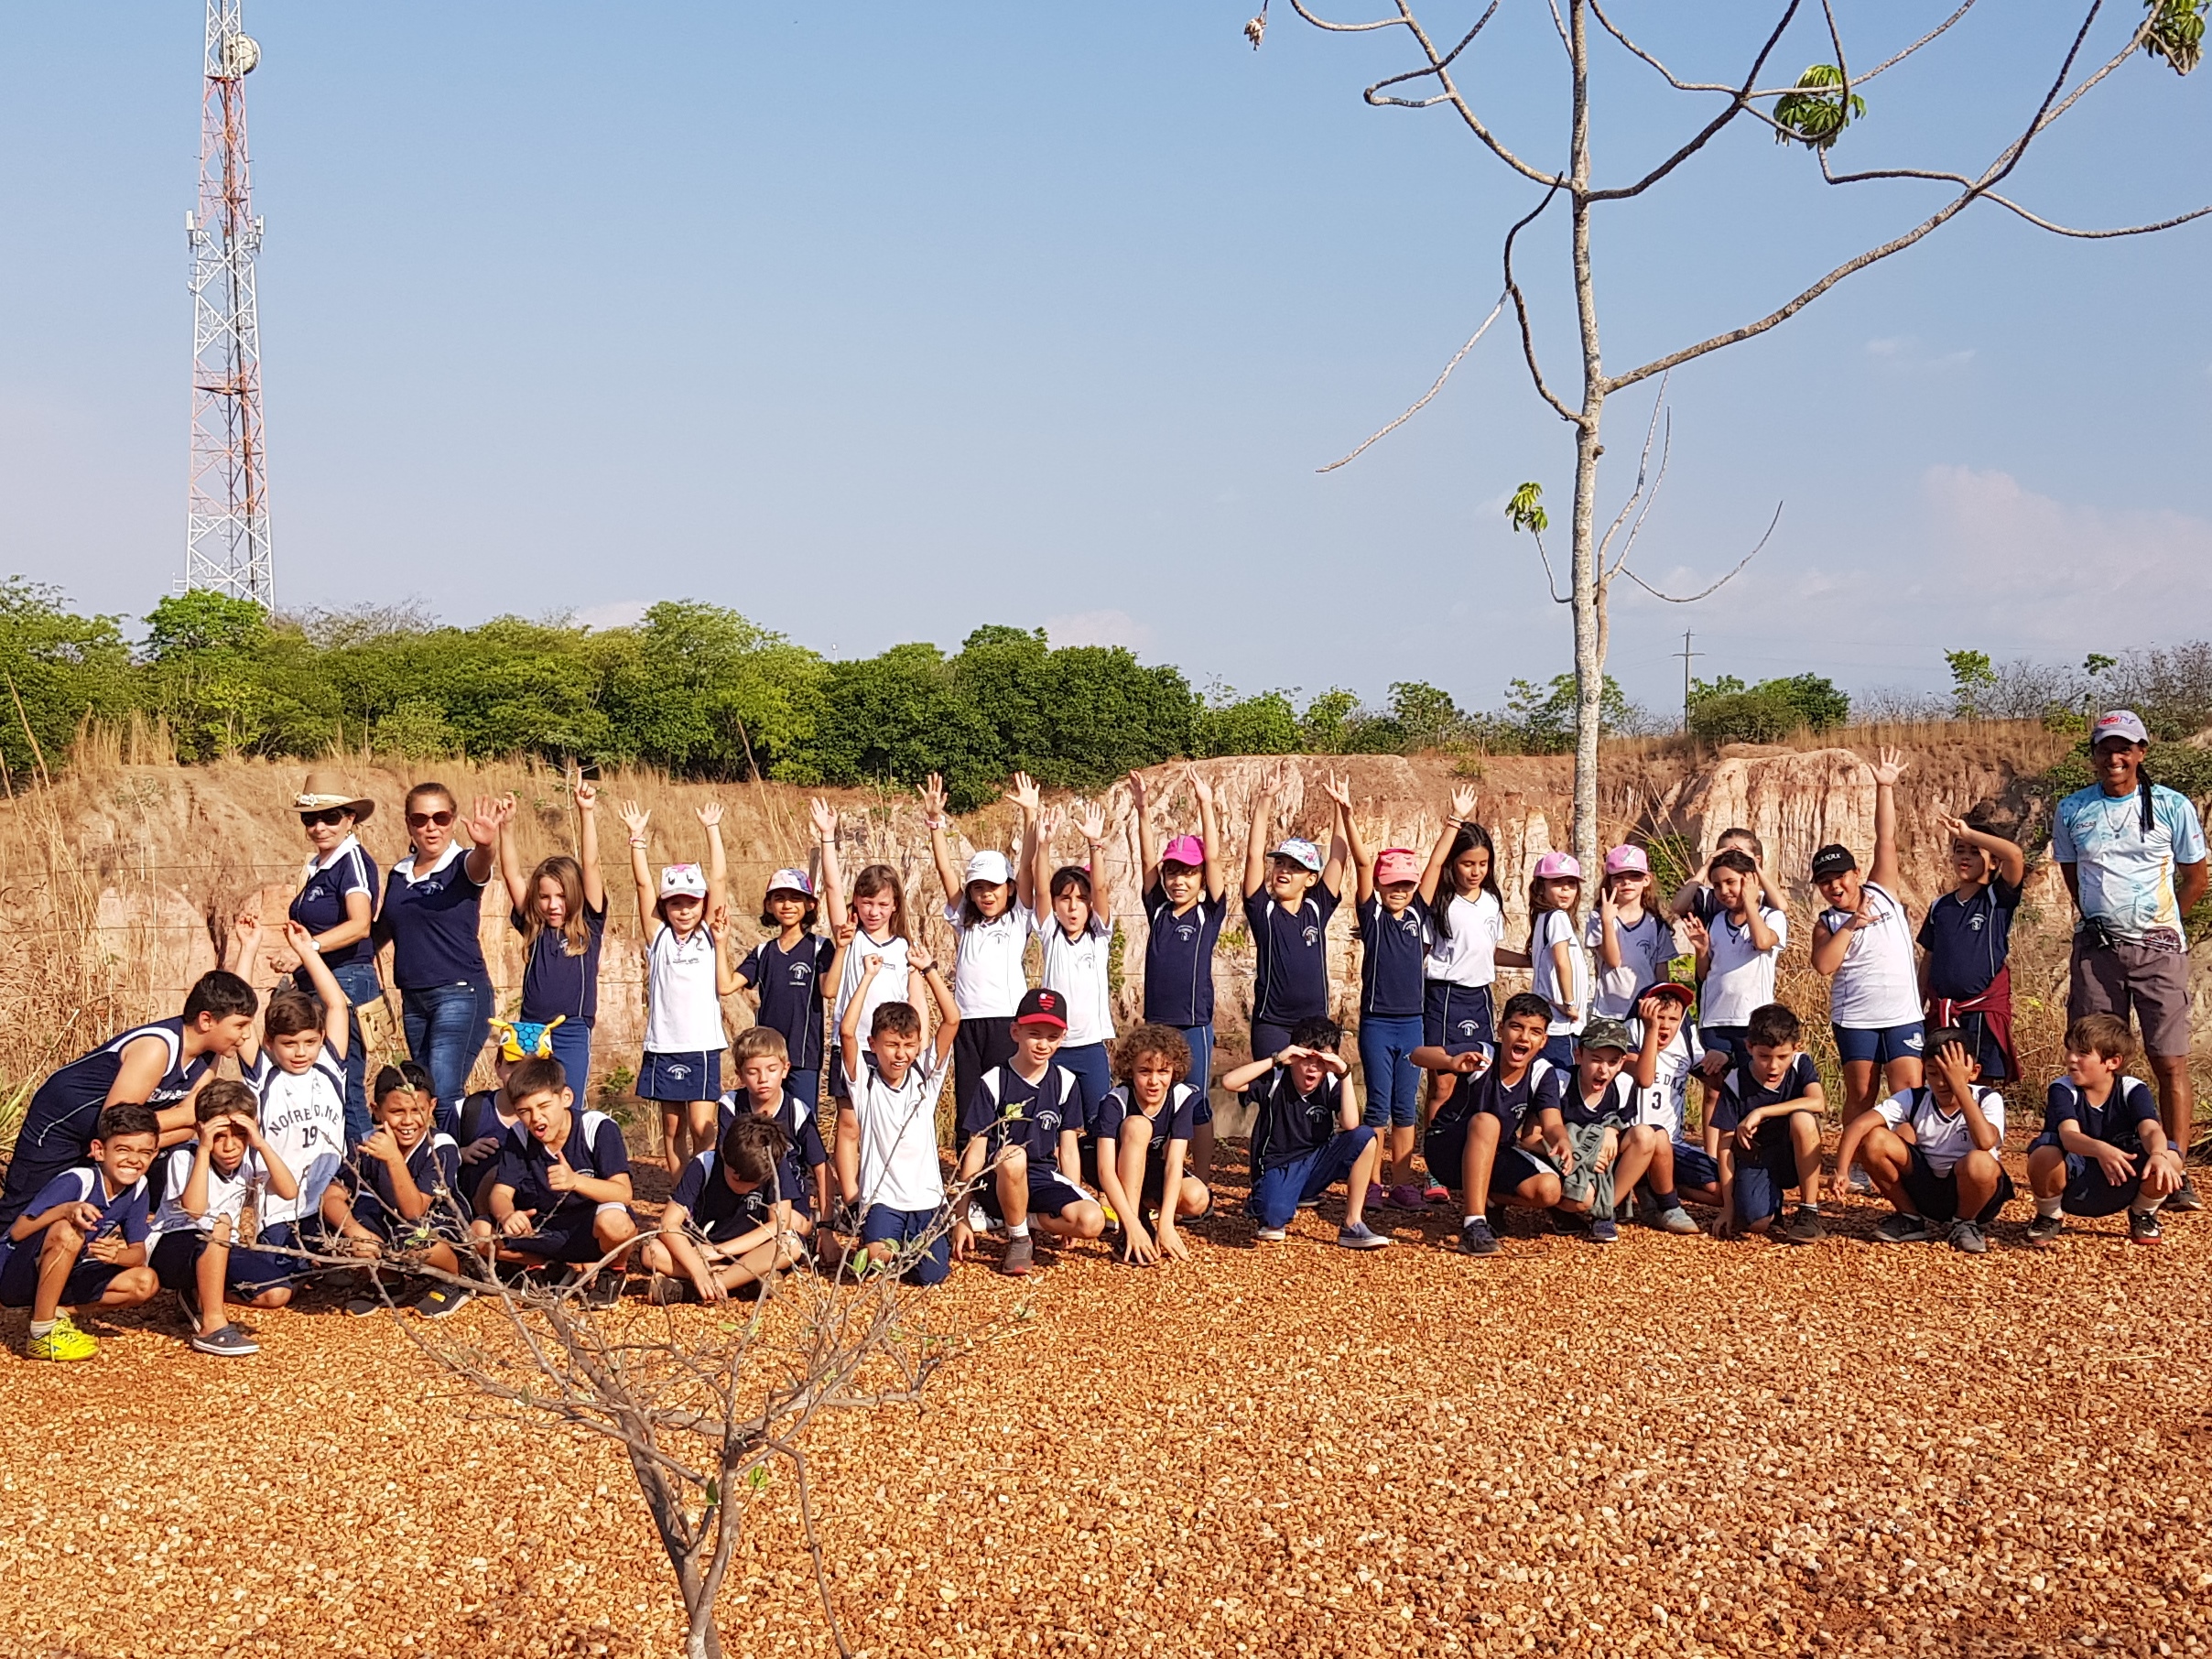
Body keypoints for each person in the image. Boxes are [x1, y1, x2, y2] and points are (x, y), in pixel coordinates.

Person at [2052, 710, 2208, 1211]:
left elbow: (2196, 879)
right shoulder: (2073, 809)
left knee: (2168, 1059)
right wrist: (2102, 923)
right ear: (2093, 754)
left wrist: (2166, 927)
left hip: (2160, 950)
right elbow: (2073, 879)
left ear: (2141, 752)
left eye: (2124, 748)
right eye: (2104, 749)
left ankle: (2174, 1166)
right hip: (2098, 951)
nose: (2114, 758)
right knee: (2094, 1061)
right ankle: (2096, 1157)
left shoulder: (2172, 806)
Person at [0, 970, 256, 1231]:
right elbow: (116, 1121)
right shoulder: (158, 1048)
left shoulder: (209, 1056)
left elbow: (193, 1124)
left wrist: (146, 1142)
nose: (246, 1035)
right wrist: (183, 1119)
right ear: (206, 1020)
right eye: (240, 1026)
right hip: (58, 1134)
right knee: (22, 1217)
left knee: (82, 1221)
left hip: (101, 1141)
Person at [1811, 748, 1925, 1193]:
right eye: (1826, 882)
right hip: (1856, 1018)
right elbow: (1823, 966)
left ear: (1857, 873)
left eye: (1841, 876)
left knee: (1908, 1091)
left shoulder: (1883, 890)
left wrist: (1884, 786)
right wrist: (1852, 925)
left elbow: (1887, 839)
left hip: (1901, 1013)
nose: (1835, 886)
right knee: (1860, 1093)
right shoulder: (1827, 922)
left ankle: (1906, 1163)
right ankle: (1858, 1164)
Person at [376, 784, 505, 1133]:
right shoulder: (399, 873)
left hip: (460, 993)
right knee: (421, 1092)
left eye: (440, 817)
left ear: (451, 820)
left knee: (444, 1093)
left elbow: (480, 867)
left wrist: (486, 845)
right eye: (420, 819)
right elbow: (382, 930)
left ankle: (457, 1170)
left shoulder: (462, 864)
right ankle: (433, 1167)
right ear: (408, 825)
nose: (430, 826)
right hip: (413, 999)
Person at [619, 799, 738, 1177]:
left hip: (701, 1045)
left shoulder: (708, 932)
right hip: (663, 1046)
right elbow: (642, 885)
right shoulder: (658, 937)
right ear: (665, 907)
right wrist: (636, 839)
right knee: (673, 1129)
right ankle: (681, 1198)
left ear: (702, 904)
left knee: (704, 1127)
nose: (684, 910)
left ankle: (704, 1192)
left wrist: (712, 829)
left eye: (691, 902)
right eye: (675, 904)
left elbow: (718, 879)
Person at [232, 914, 352, 1285]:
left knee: (346, 1275)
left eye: (309, 1042)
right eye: (289, 1043)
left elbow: (336, 1006)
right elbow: (238, 1016)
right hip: (280, 1209)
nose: (300, 1052)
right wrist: (248, 948)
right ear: (270, 1043)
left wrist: (306, 951)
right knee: (279, 1285)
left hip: (328, 1202)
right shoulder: (264, 1075)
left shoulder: (330, 1066)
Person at [952, 987, 1104, 1276]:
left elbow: (1069, 1148)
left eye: (1051, 1037)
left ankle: (1022, 1220)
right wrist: (960, 1215)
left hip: (1041, 1177)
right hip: (997, 1181)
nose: (1042, 1044)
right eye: (1034, 1033)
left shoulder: (1066, 1082)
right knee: (1012, 1156)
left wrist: (1070, 1196)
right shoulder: (994, 1081)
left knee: (1092, 1221)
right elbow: (975, 1151)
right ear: (1015, 1032)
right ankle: (1019, 1239)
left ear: (1062, 1038)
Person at [833, 948, 961, 1285]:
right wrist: (867, 977)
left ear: (918, 1044)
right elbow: (847, 1032)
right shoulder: (866, 1084)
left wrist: (928, 969)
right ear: (874, 1044)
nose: (900, 1054)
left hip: (926, 1198)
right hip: (883, 1198)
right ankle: (892, 1243)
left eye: (908, 1045)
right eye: (891, 1045)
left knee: (932, 1277)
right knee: (873, 1261)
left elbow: (952, 1020)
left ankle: (919, 1244)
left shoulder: (925, 1079)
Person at [147, 1080, 302, 1358]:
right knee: (219, 1224)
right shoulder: (185, 1157)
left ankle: (199, 1295)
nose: (230, 1146)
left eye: (239, 1135)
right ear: (201, 1130)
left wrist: (260, 1142)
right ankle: (212, 1326)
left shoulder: (249, 1157)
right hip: (172, 1248)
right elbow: (194, 1210)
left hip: (221, 1248)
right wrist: (205, 1150)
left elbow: (289, 1191)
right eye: (220, 1136)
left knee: (277, 1293)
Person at [1, 1102, 162, 1361]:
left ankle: (54, 1312)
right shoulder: (78, 1181)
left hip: (67, 1272)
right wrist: (65, 1209)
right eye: (123, 1149)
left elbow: (138, 1253)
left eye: (144, 1152)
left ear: (154, 1155)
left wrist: (116, 1257)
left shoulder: (138, 1187)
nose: (134, 1159)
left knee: (145, 1282)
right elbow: (18, 1232)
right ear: (99, 1150)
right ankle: (42, 1334)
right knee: (68, 1231)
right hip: (15, 1273)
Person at [472, 1056, 638, 1306]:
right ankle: (546, 1266)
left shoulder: (597, 1128)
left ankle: (613, 1270)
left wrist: (575, 1181)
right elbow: (500, 1193)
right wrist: (507, 1215)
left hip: (589, 1229)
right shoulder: (520, 1136)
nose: (536, 1118)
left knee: (616, 1222)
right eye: (525, 1111)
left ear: (566, 1098)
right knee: (479, 1233)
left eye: (544, 1106)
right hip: (543, 1229)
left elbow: (623, 1194)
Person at [1830, 1028, 2011, 1254]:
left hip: (1977, 1195)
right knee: (1874, 1139)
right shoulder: (1916, 1097)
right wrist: (1842, 1170)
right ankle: (1910, 1218)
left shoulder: (1986, 1098)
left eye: (1949, 1075)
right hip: (1928, 1188)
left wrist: (1960, 1088)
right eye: (1933, 1073)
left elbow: (1985, 1141)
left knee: (1980, 1161)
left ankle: (1965, 1223)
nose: (1942, 1083)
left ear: (1973, 1072)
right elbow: (1859, 1126)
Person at [1132, 766, 1228, 1185]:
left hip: (1194, 1024)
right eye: (1173, 872)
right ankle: (1152, 1178)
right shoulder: (1157, 910)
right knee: (1152, 1099)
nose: (1178, 880)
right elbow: (1146, 858)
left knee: (1198, 1102)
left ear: (1200, 878)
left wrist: (1206, 804)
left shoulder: (1209, 913)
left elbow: (1214, 858)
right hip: (1157, 1024)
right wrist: (1142, 810)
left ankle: (1201, 1182)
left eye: (1187, 872)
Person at [922, 771, 1033, 1134]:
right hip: (966, 1023)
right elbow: (944, 869)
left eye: (995, 887)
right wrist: (935, 822)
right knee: (970, 1102)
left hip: (1006, 1021)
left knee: (1006, 1099)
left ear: (1010, 888)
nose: (987, 894)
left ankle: (1007, 1173)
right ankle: (968, 1180)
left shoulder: (1017, 919)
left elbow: (1029, 866)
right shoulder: (964, 920)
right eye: (979, 888)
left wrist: (1031, 815)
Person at [1223, 1016, 1389, 1250]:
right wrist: (1276, 1059)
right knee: (1273, 1223)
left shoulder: (1331, 1082)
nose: (1313, 1068)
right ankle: (1262, 1200)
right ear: (1294, 1057)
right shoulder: (1277, 1078)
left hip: (1315, 1164)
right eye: (1306, 1059)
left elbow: (1351, 1124)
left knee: (1365, 1137)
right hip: (1277, 1165)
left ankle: (1353, 1223)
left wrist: (1345, 1075)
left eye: (1321, 1061)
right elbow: (1229, 1082)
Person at [1339, 791, 1431, 1210]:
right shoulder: (1373, 918)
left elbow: (1435, 868)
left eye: (1406, 884)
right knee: (1378, 1104)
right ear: (1379, 885)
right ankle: (1372, 1183)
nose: (1399, 890)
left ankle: (1403, 1182)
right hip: (1377, 1023)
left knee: (1405, 1107)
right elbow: (1360, 863)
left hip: (1413, 1024)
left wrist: (1452, 823)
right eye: (1391, 883)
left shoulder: (1418, 915)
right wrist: (1347, 810)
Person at [1420, 992, 1561, 1256]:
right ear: (1501, 1029)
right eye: (1516, 1027)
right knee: (1487, 1122)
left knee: (1549, 1190)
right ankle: (1473, 1227)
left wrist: (1561, 1139)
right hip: (1446, 1149)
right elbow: (1418, 1055)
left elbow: (1552, 1122)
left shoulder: (1543, 1072)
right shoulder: (1483, 1055)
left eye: (1534, 1032)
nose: (1523, 1037)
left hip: (1495, 1153)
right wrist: (1450, 1062)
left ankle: (1490, 1199)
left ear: (1543, 1041)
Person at [320, 1065, 468, 1317]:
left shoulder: (441, 1146)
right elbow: (331, 1196)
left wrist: (394, 1159)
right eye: (397, 1111)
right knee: (349, 1235)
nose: (408, 1121)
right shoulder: (366, 1144)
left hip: (433, 1225)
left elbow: (414, 1210)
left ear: (431, 1107)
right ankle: (388, 1281)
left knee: (416, 1242)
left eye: (418, 1110)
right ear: (376, 1111)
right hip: (389, 1225)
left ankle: (455, 1280)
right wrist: (354, 1231)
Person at [2025, 1014, 2183, 1246]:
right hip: (2075, 1177)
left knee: (2171, 1157)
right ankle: (2049, 1215)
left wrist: (2158, 1156)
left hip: (2123, 1175)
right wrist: (2101, 1150)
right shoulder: (2062, 1088)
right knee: (2044, 1152)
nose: (2071, 1059)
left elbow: (2150, 1130)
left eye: (2082, 1053)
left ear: (2112, 1062)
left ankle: (2143, 1213)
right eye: (2069, 1051)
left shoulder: (2132, 1089)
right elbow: (2069, 1136)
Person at [286, 770, 381, 1145]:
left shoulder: (351, 860)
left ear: (350, 819)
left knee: (344, 1076)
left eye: (330, 817)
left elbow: (360, 925)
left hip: (346, 979)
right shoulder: (318, 866)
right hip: (320, 979)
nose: (319, 826)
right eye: (310, 818)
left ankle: (363, 1168)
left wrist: (309, 949)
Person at [495, 775, 608, 1095]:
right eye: (545, 897)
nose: (553, 905)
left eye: (561, 896)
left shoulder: (589, 924)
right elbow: (511, 874)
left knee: (567, 1101)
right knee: (529, 1102)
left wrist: (586, 812)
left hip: (572, 1028)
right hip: (530, 1028)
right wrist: (507, 827)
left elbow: (592, 863)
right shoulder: (534, 925)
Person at [811, 798, 924, 1104]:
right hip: (851, 1042)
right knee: (850, 1123)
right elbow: (833, 887)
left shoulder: (904, 948)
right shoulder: (849, 936)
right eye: (867, 903)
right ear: (857, 903)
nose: (874, 911)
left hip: (891, 1048)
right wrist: (827, 835)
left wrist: (918, 1041)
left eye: (882, 904)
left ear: (895, 906)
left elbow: (914, 1000)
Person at [1242, 764, 1350, 1063]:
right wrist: (1264, 801)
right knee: (1272, 1098)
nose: (1285, 871)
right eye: (1280, 864)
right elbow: (1253, 856)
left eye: (1296, 867)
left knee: (1315, 1100)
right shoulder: (1263, 911)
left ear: (1311, 879)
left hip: (1315, 1024)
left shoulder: (1316, 909)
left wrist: (1340, 809)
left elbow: (1339, 857)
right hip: (1272, 1025)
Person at [1023, 793, 1118, 1132]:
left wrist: (1095, 844)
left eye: (1081, 899)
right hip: (1054, 1045)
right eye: (1066, 899)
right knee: (1052, 1124)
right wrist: (1044, 846)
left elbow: (1103, 889)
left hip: (1091, 1047)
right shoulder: (1050, 933)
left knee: (1099, 1124)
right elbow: (1041, 892)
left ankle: (1100, 1181)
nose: (1073, 907)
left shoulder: (1099, 936)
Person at [645, 1114, 809, 1305]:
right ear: (723, 1154)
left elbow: (778, 1224)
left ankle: (704, 1286)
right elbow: (669, 1223)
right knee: (651, 1251)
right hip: (703, 1250)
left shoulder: (773, 1165)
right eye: (737, 1179)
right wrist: (698, 1269)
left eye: (753, 1184)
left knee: (790, 1244)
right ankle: (742, 1281)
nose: (743, 1188)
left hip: (750, 1251)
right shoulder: (704, 1164)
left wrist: (720, 1251)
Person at [1917, 813, 2027, 1083]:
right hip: (1944, 1010)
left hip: (1981, 1009)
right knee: (1941, 1081)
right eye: (1960, 850)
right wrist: (1918, 1003)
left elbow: (2014, 855)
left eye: (1975, 852)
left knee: (1980, 1081)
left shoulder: (1996, 898)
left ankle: (1984, 1125)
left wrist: (1968, 834)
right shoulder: (1940, 906)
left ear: (1992, 863)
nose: (1965, 857)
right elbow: (1929, 957)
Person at [1090, 1025, 1212, 1265]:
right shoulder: (1117, 1100)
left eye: (1163, 1071)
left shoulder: (1181, 1097)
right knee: (1139, 1126)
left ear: (1174, 1069)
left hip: (1145, 1166)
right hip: (1103, 1166)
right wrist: (1131, 1223)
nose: (1154, 1081)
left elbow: (1175, 1162)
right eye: (1145, 1071)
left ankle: (1145, 1216)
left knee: (1198, 1197)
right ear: (1130, 1071)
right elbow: (1104, 1171)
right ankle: (1128, 1230)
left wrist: (1166, 1223)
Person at [1710, 1003, 1827, 1244]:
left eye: (1782, 1057)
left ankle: (1809, 1211)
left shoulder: (1800, 1064)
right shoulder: (1736, 1081)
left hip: (1791, 1152)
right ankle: (1772, 1204)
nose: (1773, 1066)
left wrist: (1762, 1112)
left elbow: (1818, 1102)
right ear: (1749, 1047)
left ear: (1796, 1048)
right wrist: (1728, 1206)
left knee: (1803, 1118)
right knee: (1756, 1224)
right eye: (1764, 1056)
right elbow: (1725, 1146)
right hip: (1758, 1157)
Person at [736, 868, 838, 1116]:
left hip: (804, 1055)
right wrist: (720, 941)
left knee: (802, 1119)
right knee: (765, 1120)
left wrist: (843, 949)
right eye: (779, 898)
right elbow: (726, 985)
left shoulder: (820, 948)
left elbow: (829, 990)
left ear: (810, 905)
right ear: (769, 905)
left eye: (795, 899)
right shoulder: (763, 952)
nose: (787, 905)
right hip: (765, 1057)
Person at [1612, 983, 1717, 1226]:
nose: (1666, 1025)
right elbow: (1644, 1078)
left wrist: (1722, 1058)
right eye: (1660, 1016)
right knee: (1654, 1135)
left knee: (1721, 1190)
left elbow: (1716, 1081)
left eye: (1673, 1018)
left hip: (1672, 1144)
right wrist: (1650, 1030)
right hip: (1632, 1143)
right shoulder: (1628, 1035)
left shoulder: (1686, 1040)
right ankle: (1669, 1205)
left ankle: (1652, 1185)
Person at [1528, 1017, 1637, 1242]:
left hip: (1602, 1166)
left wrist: (1612, 1131)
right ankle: (1564, 1207)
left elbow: (1622, 1126)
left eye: (1613, 1062)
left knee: (1646, 1136)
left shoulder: (1625, 1086)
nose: (1603, 1070)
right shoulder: (1559, 1083)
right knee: (1583, 1198)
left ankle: (1604, 1213)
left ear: (1622, 1063)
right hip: (1561, 1162)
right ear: (1578, 1055)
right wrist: (1581, 1155)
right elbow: (1528, 1139)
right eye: (1595, 1059)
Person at [715, 1026, 833, 1226]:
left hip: (789, 1196)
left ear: (785, 1069)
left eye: (772, 1070)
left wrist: (826, 1227)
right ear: (740, 1074)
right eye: (753, 1072)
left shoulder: (797, 1111)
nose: (763, 1079)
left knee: (794, 1224)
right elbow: (724, 1156)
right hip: (742, 1194)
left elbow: (821, 1167)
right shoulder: (731, 1105)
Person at [1686, 848, 1784, 1072]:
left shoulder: (1772, 917)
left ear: (1749, 881)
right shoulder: (1716, 921)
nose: (1724, 891)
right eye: (1717, 885)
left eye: (1731, 882)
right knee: (1716, 1090)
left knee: (1751, 1082)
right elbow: (1705, 974)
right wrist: (1701, 950)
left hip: (1752, 1021)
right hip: (1714, 1020)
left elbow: (1762, 942)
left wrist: (1751, 902)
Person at [1589, 845, 1674, 1020]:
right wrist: (1607, 922)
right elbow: (1613, 961)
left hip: (1646, 1009)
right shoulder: (1598, 917)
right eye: (1619, 877)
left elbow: (1662, 975)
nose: (1626, 882)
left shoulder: (1656, 924)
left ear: (1647, 880)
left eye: (1635, 876)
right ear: (1610, 882)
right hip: (1608, 1012)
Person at [1527, 851, 1590, 1067]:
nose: (1565, 889)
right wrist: (1569, 1003)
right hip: (1562, 1025)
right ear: (1541, 887)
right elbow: (1562, 962)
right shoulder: (1557, 917)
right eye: (1557, 883)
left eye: (1571, 883)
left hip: (1553, 1021)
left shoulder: (1544, 919)